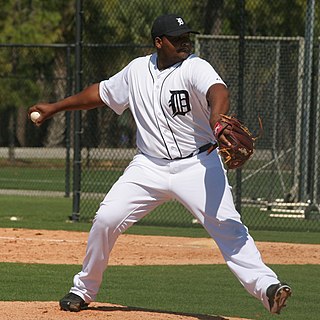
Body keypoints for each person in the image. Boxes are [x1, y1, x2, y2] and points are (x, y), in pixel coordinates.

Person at [28, 13, 291, 315]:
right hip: (148, 167)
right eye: (177, 38)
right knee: (106, 219)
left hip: (198, 164)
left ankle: (268, 288)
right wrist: (55, 107)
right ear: (158, 42)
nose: (184, 42)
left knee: (229, 228)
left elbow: (218, 91)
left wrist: (217, 119)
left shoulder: (195, 66)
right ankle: (83, 289)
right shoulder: (136, 71)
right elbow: (99, 93)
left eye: (186, 36)